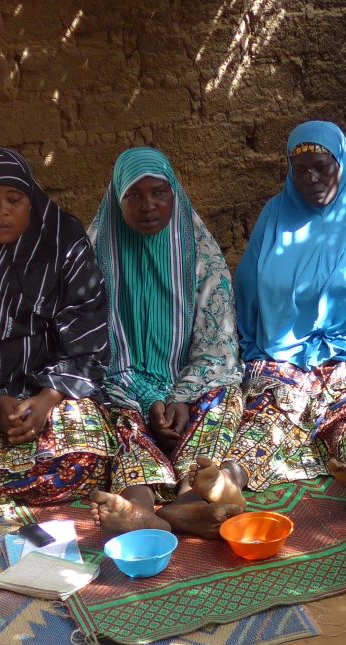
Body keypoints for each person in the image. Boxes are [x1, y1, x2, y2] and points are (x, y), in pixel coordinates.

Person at [0, 147, 139, 521]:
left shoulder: (64, 242)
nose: (0, 210)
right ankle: (19, 484)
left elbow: (88, 335)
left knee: (95, 446)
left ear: (30, 202)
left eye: (13, 200)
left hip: (52, 392)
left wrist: (46, 400)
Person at [228, 121, 346, 516]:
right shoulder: (275, 217)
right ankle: (227, 481)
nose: (311, 179)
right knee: (271, 408)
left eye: (322, 167)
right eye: (301, 170)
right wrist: (255, 348)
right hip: (282, 350)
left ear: (342, 165)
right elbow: (248, 285)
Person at [82, 146, 249, 538]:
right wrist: (147, 399)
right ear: (116, 199)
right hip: (123, 387)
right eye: (134, 196)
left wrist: (179, 398)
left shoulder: (201, 254)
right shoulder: (94, 258)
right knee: (113, 418)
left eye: (160, 193)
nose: (149, 206)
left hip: (189, 386)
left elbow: (217, 343)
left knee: (224, 398)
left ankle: (189, 499)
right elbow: (91, 350)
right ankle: (138, 504)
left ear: (175, 193)